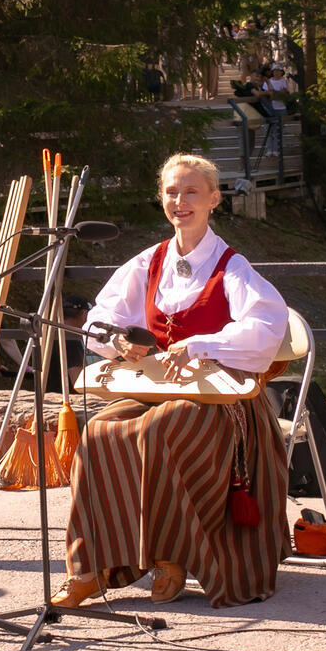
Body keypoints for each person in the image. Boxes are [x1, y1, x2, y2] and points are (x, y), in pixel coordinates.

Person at [54, 153, 292, 609]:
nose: (180, 201)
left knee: (160, 430)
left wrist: (201, 344)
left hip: (222, 396)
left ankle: (170, 557)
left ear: (213, 199)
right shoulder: (148, 262)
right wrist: (118, 342)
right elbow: (101, 319)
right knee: (97, 433)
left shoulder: (231, 266)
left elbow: (266, 327)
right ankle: (91, 567)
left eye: (191, 192)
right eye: (171, 192)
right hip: (157, 387)